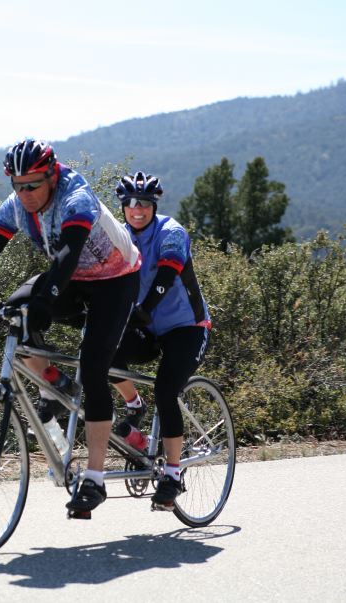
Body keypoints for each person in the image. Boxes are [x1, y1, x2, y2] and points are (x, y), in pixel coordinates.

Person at [0, 139, 140, 513]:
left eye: (33, 184)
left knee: (93, 368)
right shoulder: (16, 205)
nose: (25, 193)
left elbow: (68, 253)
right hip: (73, 278)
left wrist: (47, 298)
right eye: (18, 185)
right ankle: (54, 388)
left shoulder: (75, 196)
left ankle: (94, 479)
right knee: (15, 311)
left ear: (52, 175)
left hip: (115, 281)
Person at [109, 171, 212, 511]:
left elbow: (167, 273)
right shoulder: (119, 237)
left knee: (167, 391)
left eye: (144, 203)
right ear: (123, 207)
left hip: (187, 326)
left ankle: (172, 473)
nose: (137, 209)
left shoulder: (171, 232)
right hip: (149, 328)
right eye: (131, 203)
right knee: (103, 353)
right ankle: (134, 405)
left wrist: (145, 308)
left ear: (154, 206)